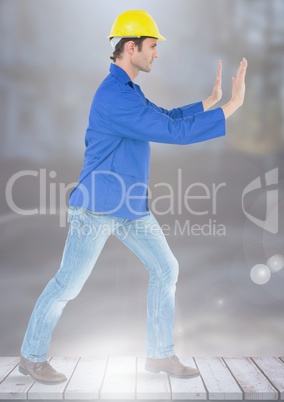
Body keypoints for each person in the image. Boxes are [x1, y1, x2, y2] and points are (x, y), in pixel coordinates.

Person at [19, 10, 247, 384]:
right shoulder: (114, 97)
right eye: (152, 46)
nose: (156, 54)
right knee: (68, 284)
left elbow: (167, 116)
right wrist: (231, 108)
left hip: (129, 208)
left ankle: (159, 356)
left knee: (165, 268)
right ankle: (31, 356)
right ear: (131, 46)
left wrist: (207, 103)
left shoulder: (129, 91)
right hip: (96, 208)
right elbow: (171, 132)